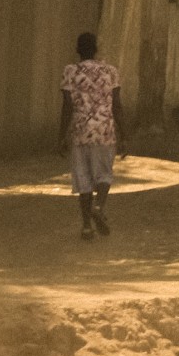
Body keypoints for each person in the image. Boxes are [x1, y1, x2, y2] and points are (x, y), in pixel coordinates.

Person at [58, 32, 124, 241]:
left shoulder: (70, 72)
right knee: (104, 174)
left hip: (80, 131)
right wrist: (125, 134)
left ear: (78, 50)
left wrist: (61, 136)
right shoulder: (110, 72)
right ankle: (99, 206)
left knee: (83, 179)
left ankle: (86, 226)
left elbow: (67, 106)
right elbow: (117, 105)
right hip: (104, 129)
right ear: (96, 49)